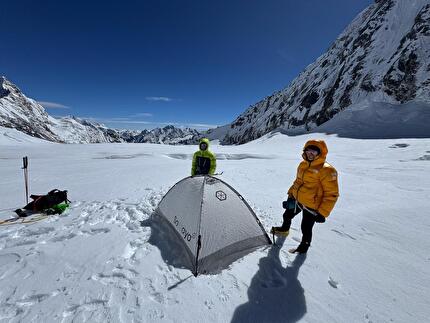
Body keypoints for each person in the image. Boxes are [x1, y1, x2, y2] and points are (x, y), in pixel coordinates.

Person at [271, 140, 339, 254]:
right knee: (287, 214)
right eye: (308, 151)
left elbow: (332, 194)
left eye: (314, 151)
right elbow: (298, 181)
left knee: (306, 228)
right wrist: (291, 193)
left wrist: (323, 212)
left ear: (320, 153)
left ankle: (303, 248)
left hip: (312, 205)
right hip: (298, 199)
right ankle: (284, 229)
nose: (310, 154)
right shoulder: (303, 165)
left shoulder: (327, 170)